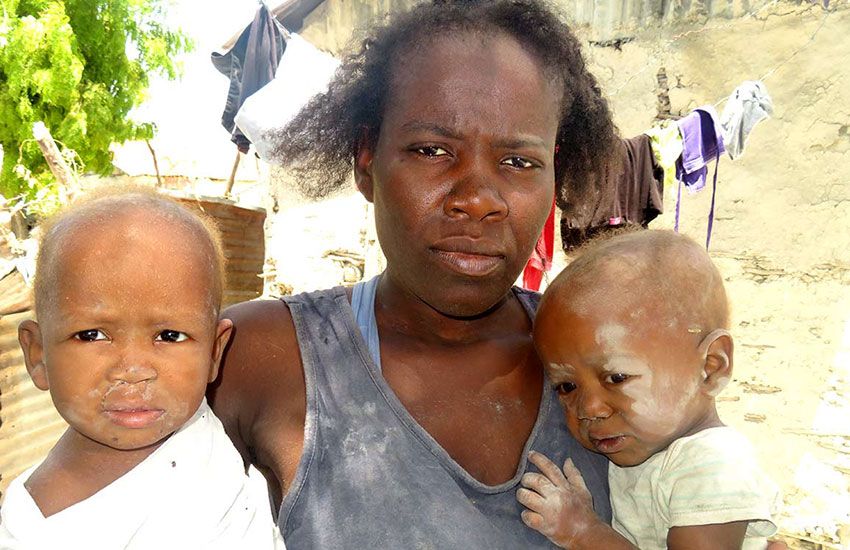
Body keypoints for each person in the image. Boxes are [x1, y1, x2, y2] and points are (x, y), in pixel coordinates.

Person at [210, 1, 788, 547]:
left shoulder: (597, 352)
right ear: (367, 159)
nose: (479, 199)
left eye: (519, 162)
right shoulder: (257, 356)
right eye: (433, 150)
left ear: (554, 178)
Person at [1, 187, 281, 549]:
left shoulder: (206, 469)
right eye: (91, 334)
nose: (133, 370)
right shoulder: (27, 518)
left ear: (214, 352)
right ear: (37, 354)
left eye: (169, 335)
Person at [518, 230, 782, 550]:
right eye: (567, 386)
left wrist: (582, 532)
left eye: (616, 377)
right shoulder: (648, 451)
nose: (589, 408)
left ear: (711, 367)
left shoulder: (713, 465)